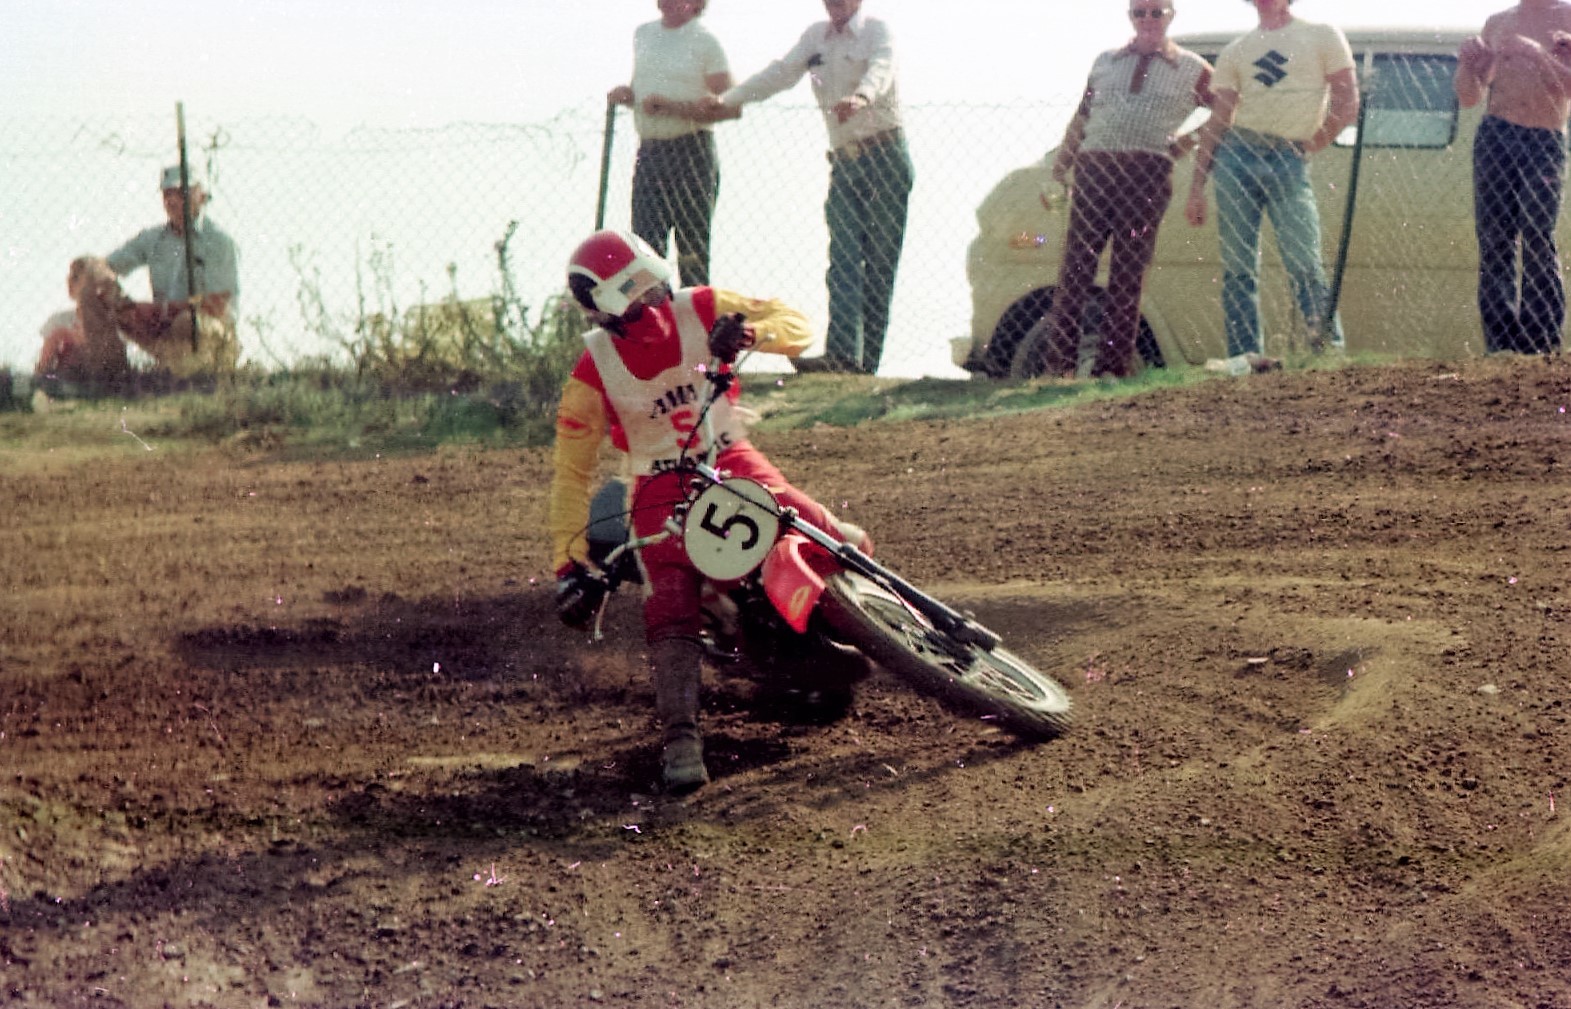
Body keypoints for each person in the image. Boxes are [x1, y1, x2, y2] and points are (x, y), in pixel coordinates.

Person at [548, 229, 864, 795]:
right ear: (603, 308)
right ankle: (681, 738)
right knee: (668, 591)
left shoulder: (704, 306)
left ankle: (885, 618)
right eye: (633, 294)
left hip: (728, 454)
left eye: (651, 284)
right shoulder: (591, 370)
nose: (650, 302)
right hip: (658, 486)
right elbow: (570, 476)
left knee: (810, 519)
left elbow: (798, 326)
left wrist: (751, 333)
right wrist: (566, 565)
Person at [709, 0, 912, 375]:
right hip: (844, 162)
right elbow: (781, 73)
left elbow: (881, 71)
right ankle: (841, 355)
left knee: (879, 265)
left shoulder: (878, 31)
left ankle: (865, 365)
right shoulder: (815, 36)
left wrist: (862, 97)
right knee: (844, 261)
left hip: (884, 156)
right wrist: (728, 100)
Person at [1029, 1, 1212, 379]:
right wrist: (1060, 169)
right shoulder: (1105, 61)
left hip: (1147, 172)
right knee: (1075, 269)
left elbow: (1226, 110)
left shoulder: (1193, 68)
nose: (1148, 20)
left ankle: (1111, 371)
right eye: (1139, 12)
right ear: (1130, 17)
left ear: (1171, 15)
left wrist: (1184, 143)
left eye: (1156, 12)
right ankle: (1057, 369)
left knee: (1129, 272)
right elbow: (1082, 117)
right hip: (1095, 169)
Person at [1184, 0, 1359, 362]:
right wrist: (1197, 186)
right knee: (1238, 266)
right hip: (1236, 156)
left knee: (1304, 260)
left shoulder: (1322, 35)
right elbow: (1220, 117)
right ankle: (1247, 358)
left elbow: (1347, 99)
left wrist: (1312, 143)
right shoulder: (1236, 49)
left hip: (1288, 159)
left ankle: (1328, 351)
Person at [1454, 0, 1571, 355]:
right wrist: (1467, 64)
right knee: (1494, 239)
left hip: (1544, 136)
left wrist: (1537, 54)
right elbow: (1469, 96)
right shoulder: (1498, 21)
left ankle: (1541, 343)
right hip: (1496, 133)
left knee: (1537, 234)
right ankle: (1501, 344)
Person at [71, 164, 240, 386]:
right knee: (92, 295)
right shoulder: (153, 239)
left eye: (181, 192)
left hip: (208, 331)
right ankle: (112, 381)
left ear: (201, 194)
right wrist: (90, 272)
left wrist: (159, 311)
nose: (172, 200)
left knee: (187, 322)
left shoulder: (219, 242)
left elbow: (218, 306)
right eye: (167, 193)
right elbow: (107, 264)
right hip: (162, 325)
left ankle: (191, 380)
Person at [609, 0, 738, 288]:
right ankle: (655, 325)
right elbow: (645, 93)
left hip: (691, 151)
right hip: (651, 151)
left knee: (691, 249)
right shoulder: (643, 34)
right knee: (643, 248)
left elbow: (731, 106)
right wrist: (627, 96)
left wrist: (673, 107)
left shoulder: (705, 41)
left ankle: (695, 326)